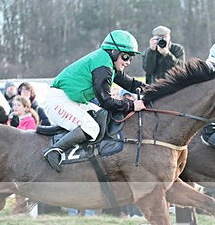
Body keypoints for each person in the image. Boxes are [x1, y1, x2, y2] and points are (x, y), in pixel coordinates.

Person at [42, 30, 147, 172]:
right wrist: (132, 105)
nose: (128, 62)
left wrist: (155, 90)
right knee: (91, 127)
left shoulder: (108, 63)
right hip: (59, 101)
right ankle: (54, 150)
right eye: (126, 56)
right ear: (113, 51)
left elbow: (131, 84)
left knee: (102, 114)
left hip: (73, 100)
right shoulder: (103, 66)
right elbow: (106, 101)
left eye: (131, 58)